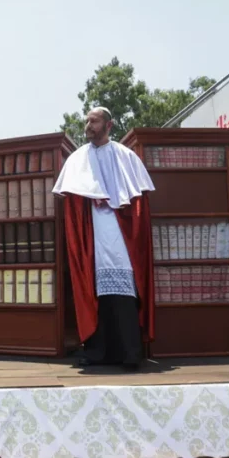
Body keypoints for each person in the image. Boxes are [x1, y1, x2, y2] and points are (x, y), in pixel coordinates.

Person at [52, 107, 155, 370]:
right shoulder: (77, 159)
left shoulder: (125, 156)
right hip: (92, 235)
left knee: (124, 294)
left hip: (120, 235)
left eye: (94, 121)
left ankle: (130, 353)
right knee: (95, 292)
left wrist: (117, 204)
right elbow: (72, 206)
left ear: (109, 125)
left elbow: (137, 204)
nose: (88, 125)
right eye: (87, 121)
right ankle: (98, 352)